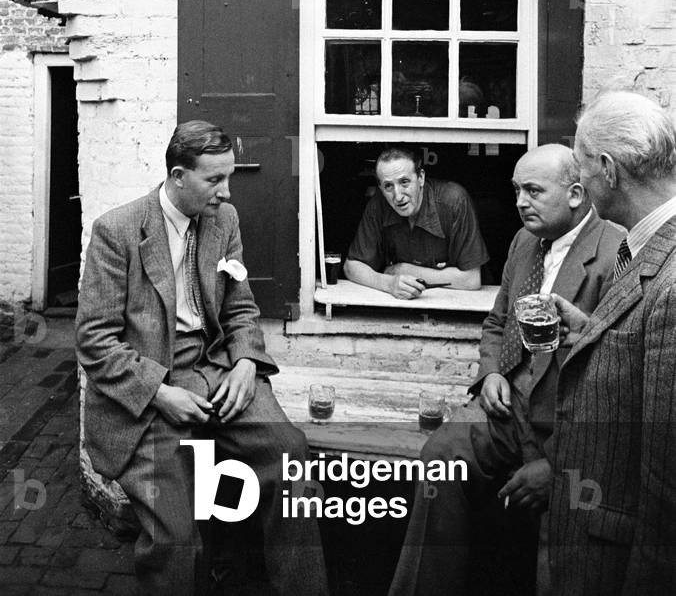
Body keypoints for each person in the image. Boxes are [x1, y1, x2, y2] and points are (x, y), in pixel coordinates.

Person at [75, 121, 328, 596]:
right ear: (177, 176)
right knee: (176, 538)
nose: (226, 192)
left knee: (290, 458)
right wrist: (160, 393)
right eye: (214, 180)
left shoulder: (223, 221)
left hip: (216, 369)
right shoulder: (119, 230)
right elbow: (94, 340)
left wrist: (247, 363)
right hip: (152, 386)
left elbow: (241, 307)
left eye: (228, 178)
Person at [387, 143, 621, 596]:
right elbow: (497, 322)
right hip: (506, 401)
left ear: (575, 193)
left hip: (565, 422)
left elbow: (612, 377)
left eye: (533, 190)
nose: (519, 202)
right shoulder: (523, 241)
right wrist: (491, 372)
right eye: (516, 190)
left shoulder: (614, 252)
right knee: (441, 456)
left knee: (563, 524)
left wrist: (556, 465)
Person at [549, 92, 676, 595]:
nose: (579, 181)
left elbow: (668, 483)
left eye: (580, 166)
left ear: (607, 168)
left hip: (617, 560)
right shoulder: (643, 244)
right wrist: (592, 333)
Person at [344, 145, 488, 298]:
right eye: (388, 186)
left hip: (458, 304)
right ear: (380, 187)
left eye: (404, 182)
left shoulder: (454, 201)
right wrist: (388, 283)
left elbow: (472, 279)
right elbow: (350, 267)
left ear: (421, 178)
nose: (398, 196)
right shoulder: (378, 205)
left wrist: (403, 271)